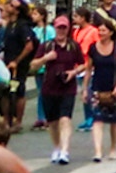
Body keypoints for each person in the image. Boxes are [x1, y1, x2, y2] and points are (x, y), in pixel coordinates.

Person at [30, 15, 85, 164]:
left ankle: (65, 151)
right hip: (49, 88)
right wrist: (46, 58)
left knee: (65, 119)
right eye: (59, 27)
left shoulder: (73, 46)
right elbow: (33, 65)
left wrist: (73, 73)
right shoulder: (46, 46)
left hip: (68, 87)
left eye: (64, 28)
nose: (61, 31)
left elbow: (82, 64)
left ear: (68, 29)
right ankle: (57, 147)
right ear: (54, 28)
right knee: (53, 122)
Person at [83, 17, 116, 162]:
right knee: (97, 120)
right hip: (97, 87)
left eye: (104, 30)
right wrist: (85, 89)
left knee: (114, 121)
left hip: (113, 88)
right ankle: (98, 151)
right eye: (99, 30)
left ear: (110, 32)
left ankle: (113, 148)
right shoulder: (93, 48)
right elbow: (88, 69)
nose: (101, 33)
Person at [0, 0, 36, 132]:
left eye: (11, 5)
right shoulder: (10, 24)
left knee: (19, 91)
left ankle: (18, 121)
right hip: (7, 63)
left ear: (17, 11)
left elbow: (29, 46)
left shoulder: (22, 26)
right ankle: (6, 120)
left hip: (18, 65)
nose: (8, 6)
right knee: (5, 91)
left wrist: (17, 61)